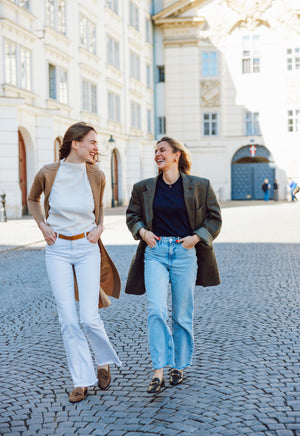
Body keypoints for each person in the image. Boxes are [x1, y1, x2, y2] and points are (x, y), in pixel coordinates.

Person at [27, 122, 122, 403]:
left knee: (89, 317)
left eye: (96, 143)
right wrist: (42, 226)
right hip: (56, 249)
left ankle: (103, 361)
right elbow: (33, 198)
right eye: (92, 142)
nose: (96, 147)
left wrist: (100, 227)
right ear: (75, 143)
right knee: (68, 319)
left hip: (86, 247)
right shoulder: (48, 172)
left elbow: (100, 206)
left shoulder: (96, 174)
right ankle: (81, 379)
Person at [126, 136, 222, 394]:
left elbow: (214, 219)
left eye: (163, 150)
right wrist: (143, 232)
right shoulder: (143, 187)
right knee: (156, 309)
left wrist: (196, 238)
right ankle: (159, 370)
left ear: (176, 155)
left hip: (184, 252)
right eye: (156, 151)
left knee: (181, 313)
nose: (158, 154)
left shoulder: (200, 185)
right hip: (155, 252)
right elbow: (132, 216)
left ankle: (179, 365)